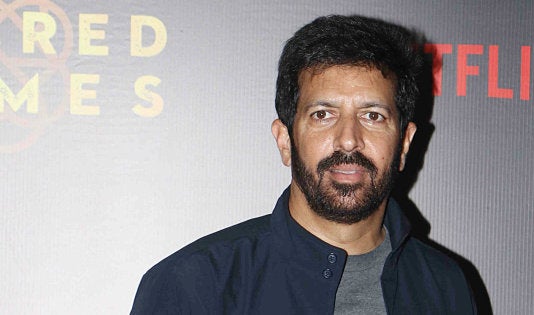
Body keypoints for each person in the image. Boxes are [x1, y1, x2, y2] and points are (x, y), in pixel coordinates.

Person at [131, 15, 476, 314]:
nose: (348, 140)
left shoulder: (445, 286)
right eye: (323, 115)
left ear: (403, 144)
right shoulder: (195, 286)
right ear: (285, 141)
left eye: (372, 116)